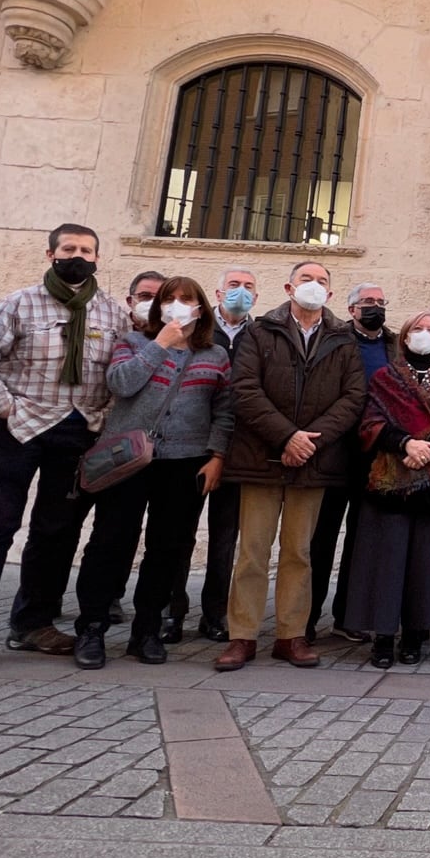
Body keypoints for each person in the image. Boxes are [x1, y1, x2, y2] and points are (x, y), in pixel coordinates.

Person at [0, 222, 124, 670]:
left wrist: (101, 418)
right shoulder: (19, 304)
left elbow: (120, 371)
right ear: (51, 255)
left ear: (98, 258)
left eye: (86, 249)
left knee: (56, 533)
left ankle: (32, 624)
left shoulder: (113, 314)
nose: (77, 255)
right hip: (16, 430)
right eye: (68, 248)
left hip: (78, 433)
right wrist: (4, 407)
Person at [71, 277, 232, 667]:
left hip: (185, 461)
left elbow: (225, 409)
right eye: (169, 299)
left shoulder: (215, 354)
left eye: (186, 299)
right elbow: (121, 384)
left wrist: (217, 456)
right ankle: (92, 626)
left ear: (200, 308)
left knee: (169, 547)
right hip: (129, 457)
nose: (177, 305)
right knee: (111, 541)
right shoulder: (133, 343)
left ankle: (146, 630)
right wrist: (161, 343)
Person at [214, 261, 365, 671]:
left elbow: (353, 397)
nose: (313, 286)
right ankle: (241, 636)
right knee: (252, 552)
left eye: (321, 282)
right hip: (261, 457)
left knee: (300, 552)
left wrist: (308, 440)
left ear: (331, 295)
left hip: (312, 461)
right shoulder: (261, 331)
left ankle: (290, 635)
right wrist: (286, 437)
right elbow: (244, 390)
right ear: (289, 287)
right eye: (306, 280)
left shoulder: (342, 339)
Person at [348, 312, 430, 668]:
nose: (425, 334)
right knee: (388, 561)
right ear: (404, 337)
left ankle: (416, 634)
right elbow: (371, 422)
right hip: (392, 482)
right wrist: (405, 445)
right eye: (418, 329)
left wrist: (429, 449)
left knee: (426, 563)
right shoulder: (386, 377)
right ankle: (383, 637)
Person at [306, 281, 390, 642]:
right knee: (319, 539)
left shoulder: (394, 345)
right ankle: (304, 619)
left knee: (363, 539)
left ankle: (348, 616)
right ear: (352, 308)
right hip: (333, 452)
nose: (374, 306)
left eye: (380, 301)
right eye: (367, 301)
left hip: (375, 458)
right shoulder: (333, 339)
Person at [188, 265, 257, 642]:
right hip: (191, 448)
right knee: (180, 534)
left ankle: (215, 614)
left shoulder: (262, 335)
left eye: (248, 287)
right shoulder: (198, 333)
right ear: (217, 294)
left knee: (225, 538)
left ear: (257, 299)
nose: (240, 293)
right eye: (233, 285)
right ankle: (171, 610)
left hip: (238, 452)